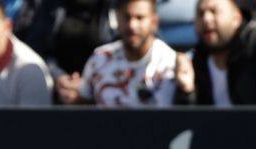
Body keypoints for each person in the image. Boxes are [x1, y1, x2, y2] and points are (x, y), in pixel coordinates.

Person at [60, 0, 191, 106]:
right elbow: (83, 104)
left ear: (154, 22)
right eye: (127, 17)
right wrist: (71, 96)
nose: (132, 25)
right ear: (117, 18)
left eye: (140, 18)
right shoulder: (99, 58)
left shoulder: (169, 64)